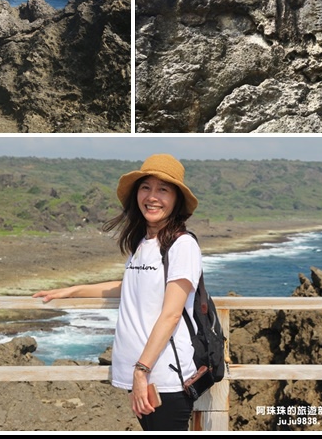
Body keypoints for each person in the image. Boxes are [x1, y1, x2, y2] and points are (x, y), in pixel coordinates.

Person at [33, 154, 202, 431]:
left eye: (163, 189)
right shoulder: (144, 243)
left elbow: (171, 314)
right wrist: (72, 291)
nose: (152, 196)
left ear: (177, 200)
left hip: (163, 376)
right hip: (142, 374)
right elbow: (131, 288)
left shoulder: (183, 246)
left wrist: (141, 371)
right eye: (146, 187)